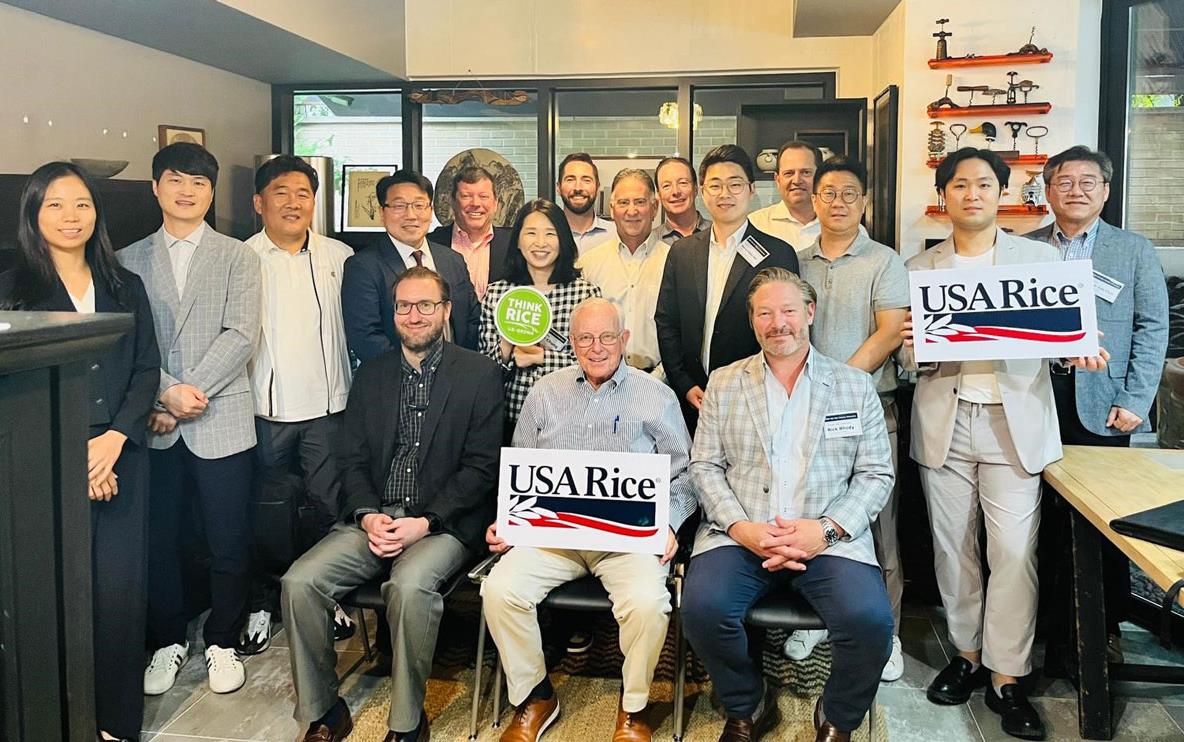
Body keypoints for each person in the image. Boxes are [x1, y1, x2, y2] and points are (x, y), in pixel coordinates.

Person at [901, 147, 1109, 741]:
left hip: (1013, 422)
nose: (972, 193)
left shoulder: (1039, 259)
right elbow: (909, 358)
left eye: (984, 184)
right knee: (952, 549)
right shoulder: (920, 268)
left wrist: (1079, 349)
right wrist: (912, 345)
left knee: (1015, 552)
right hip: (945, 418)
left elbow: (1063, 334)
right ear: (943, 198)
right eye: (959, 184)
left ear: (1002, 193)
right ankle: (965, 655)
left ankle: (1006, 673)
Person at [281, 267, 504, 742]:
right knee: (300, 582)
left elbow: (481, 468)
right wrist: (367, 514)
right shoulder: (373, 374)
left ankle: (407, 721)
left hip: (442, 525)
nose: (414, 314)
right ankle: (324, 710)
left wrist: (426, 521)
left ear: (445, 311)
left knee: (408, 584)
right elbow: (353, 457)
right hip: (376, 518)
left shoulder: (479, 374)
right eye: (404, 305)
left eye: (426, 305)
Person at [681, 268, 895, 742]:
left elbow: (876, 474)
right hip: (740, 535)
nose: (779, 323)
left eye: (788, 311)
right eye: (765, 313)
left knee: (870, 622)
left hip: (827, 537)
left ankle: (837, 715)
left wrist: (827, 530)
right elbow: (704, 467)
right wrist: (741, 528)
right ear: (754, 322)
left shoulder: (853, 386)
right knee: (702, 607)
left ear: (810, 314)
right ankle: (744, 703)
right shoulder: (725, 382)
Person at [482, 297, 697, 742]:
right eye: (585, 338)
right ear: (571, 342)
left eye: (606, 337)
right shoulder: (545, 391)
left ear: (624, 339)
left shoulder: (656, 395)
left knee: (648, 604)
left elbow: (687, 472)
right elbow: (520, 464)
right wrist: (508, 519)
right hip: (553, 536)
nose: (596, 348)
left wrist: (671, 522)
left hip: (626, 540)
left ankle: (634, 707)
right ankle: (535, 695)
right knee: (499, 590)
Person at [0, 161, 160, 742]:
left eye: (83, 204)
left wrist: (114, 439)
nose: (72, 217)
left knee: (118, 597)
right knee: (57, 599)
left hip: (124, 453)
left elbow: (147, 368)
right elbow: (13, 384)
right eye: (56, 205)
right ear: (33, 215)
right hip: (43, 461)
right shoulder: (13, 288)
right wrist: (79, 456)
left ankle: (116, 724)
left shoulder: (125, 285)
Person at [118, 142, 261, 696]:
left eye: (199, 183)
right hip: (155, 421)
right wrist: (165, 395)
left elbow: (242, 333)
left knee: (228, 537)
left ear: (211, 191)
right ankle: (168, 640)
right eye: (175, 180)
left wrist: (189, 393)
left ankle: (223, 639)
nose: (186, 191)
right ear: (156, 188)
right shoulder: (127, 260)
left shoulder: (237, 256)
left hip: (219, 415)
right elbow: (130, 344)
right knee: (162, 538)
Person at [1026, 145, 1170, 667]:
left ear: (1106, 191)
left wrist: (1136, 399)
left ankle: (1102, 627)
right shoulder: (1024, 248)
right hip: (1035, 396)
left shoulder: (1132, 249)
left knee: (1103, 520)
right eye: (1064, 182)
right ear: (1048, 190)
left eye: (1089, 182)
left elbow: (1155, 327)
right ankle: (1046, 625)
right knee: (1037, 513)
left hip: (1105, 402)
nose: (1077, 191)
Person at [786, 156, 910, 681]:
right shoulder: (795, 259)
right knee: (809, 515)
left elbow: (890, 332)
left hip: (867, 411)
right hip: (801, 412)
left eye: (849, 194)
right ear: (814, 200)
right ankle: (817, 620)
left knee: (877, 528)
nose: (837, 202)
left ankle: (889, 634)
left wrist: (836, 386)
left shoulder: (885, 260)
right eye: (828, 193)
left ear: (864, 201)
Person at [242, 155, 356, 654]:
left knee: (329, 508)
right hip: (265, 411)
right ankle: (266, 601)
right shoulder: (240, 257)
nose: (293, 203)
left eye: (303, 194)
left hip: (331, 409)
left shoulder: (340, 256)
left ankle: (326, 598)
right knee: (268, 512)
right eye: (281, 193)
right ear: (258, 203)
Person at [654, 144, 799, 432]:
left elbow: (786, 329)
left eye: (735, 184)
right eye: (715, 185)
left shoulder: (777, 253)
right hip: (693, 399)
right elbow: (667, 322)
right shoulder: (682, 252)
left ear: (751, 189)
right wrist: (684, 383)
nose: (725, 194)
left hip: (756, 399)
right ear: (703, 191)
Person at [479, 199, 602, 433]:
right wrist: (507, 345)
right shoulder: (497, 294)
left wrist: (542, 358)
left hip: (569, 420)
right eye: (531, 233)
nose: (540, 243)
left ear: (563, 240)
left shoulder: (585, 294)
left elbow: (596, 364)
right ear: (517, 240)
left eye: (550, 234)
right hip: (507, 420)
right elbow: (482, 371)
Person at [342, 170, 481, 362]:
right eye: (399, 206)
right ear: (382, 213)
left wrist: (458, 369)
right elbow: (365, 336)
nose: (411, 215)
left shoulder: (452, 259)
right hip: (397, 384)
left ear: (430, 211)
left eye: (419, 205)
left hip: (456, 378)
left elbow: (472, 321)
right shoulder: (363, 267)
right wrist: (417, 375)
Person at [578, 168, 669, 374]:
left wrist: (657, 379)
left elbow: (682, 333)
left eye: (640, 202)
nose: (632, 210)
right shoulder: (589, 264)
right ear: (612, 209)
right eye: (623, 203)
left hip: (660, 381)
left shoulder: (674, 262)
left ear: (654, 208)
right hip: (601, 379)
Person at [749, 141, 867, 250]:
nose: (796, 180)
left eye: (805, 172)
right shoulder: (755, 225)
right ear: (778, 179)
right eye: (789, 173)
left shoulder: (850, 228)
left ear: (819, 178)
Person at [426, 165, 512, 301]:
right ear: (453, 202)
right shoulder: (431, 243)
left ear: (496, 204)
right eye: (466, 196)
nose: (476, 203)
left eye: (483, 196)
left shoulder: (514, 245)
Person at [556, 152, 614, 254]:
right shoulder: (547, 234)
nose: (578, 187)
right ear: (558, 187)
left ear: (597, 187)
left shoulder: (616, 235)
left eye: (586, 180)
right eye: (570, 180)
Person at [653, 156, 710, 244]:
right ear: (659, 194)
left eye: (683, 183)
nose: (675, 191)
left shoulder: (717, 234)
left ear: (695, 189)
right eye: (666, 186)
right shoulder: (651, 242)